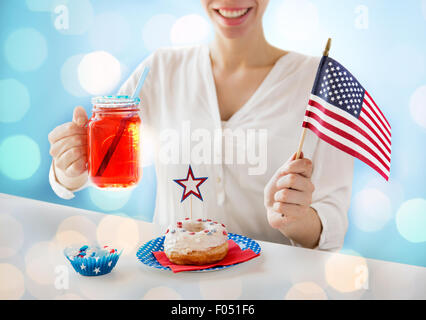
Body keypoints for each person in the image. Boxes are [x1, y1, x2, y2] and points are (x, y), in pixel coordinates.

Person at [48, 0, 354, 250]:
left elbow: (332, 224)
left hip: (270, 285)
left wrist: (297, 220)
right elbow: (99, 164)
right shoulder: (161, 70)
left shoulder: (317, 83)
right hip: (170, 281)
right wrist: (70, 167)